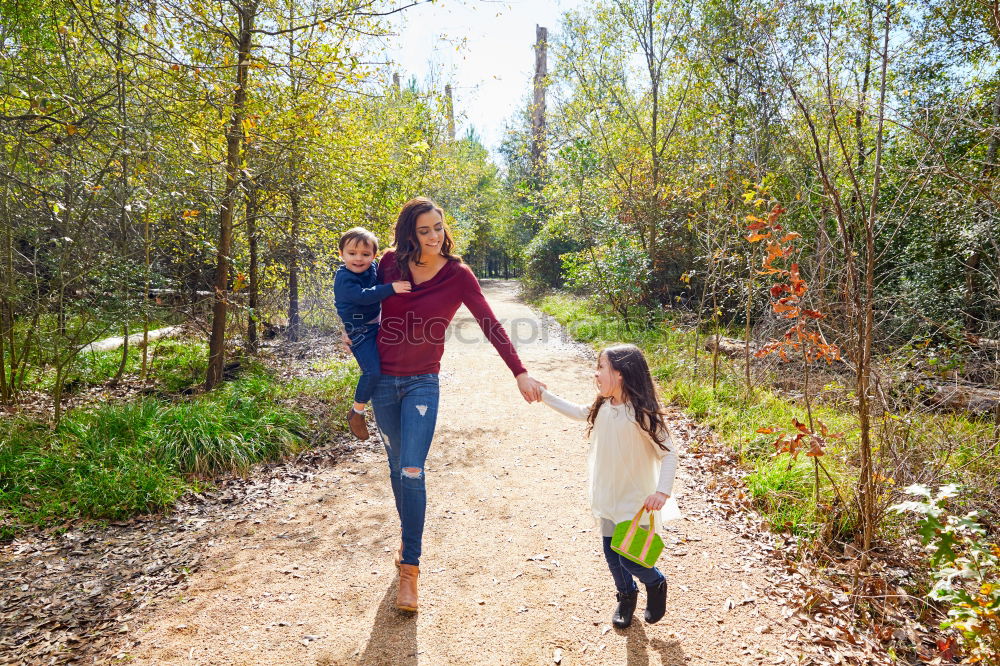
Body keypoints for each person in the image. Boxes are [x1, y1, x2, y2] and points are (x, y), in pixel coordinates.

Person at [358, 197, 546, 612]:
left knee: (412, 467)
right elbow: (357, 296)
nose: (434, 236)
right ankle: (407, 541)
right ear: (410, 233)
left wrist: (520, 371)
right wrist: (349, 332)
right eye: (424, 230)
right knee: (396, 468)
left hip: (423, 382)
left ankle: (410, 566)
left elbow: (490, 324)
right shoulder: (388, 263)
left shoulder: (458, 274)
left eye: (438, 227)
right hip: (383, 383)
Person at [538, 344, 679, 629]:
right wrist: (542, 394)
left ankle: (656, 581)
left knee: (631, 556)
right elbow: (577, 411)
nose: (596, 373)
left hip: (635, 499)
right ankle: (626, 596)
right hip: (606, 495)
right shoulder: (603, 404)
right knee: (611, 552)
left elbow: (669, 453)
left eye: (601, 367)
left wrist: (662, 491)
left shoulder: (641, 412)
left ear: (621, 373)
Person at [333, 227, 411, 440]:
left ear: (373, 256)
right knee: (372, 371)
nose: (358, 259)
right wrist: (391, 288)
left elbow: (383, 274)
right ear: (341, 254)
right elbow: (362, 296)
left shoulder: (373, 267)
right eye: (352, 253)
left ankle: (401, 404)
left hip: (375, 326)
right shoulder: (344, 278)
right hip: (358, 331)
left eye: (365, 254)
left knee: (391, 360)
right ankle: (356, 412)